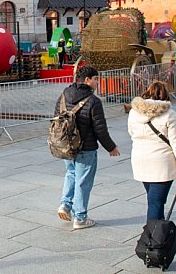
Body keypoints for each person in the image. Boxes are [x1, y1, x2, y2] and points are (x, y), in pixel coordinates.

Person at [56, 65, 121, 229]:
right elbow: (100, 129)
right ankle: (80, 217)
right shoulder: (93, 101)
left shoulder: (63, 95)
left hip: (66, 145)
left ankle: (65, 205)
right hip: (86, 147)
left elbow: (57, 118)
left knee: (71, 174)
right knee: (83, 181)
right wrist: (111, 147)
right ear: (87, 80)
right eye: (95, 79)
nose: (97, 82)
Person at [128, 81, 176, 222]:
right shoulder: (169, 114)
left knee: (153, 199)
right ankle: (152, 232)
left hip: (140, 159)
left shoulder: (134, 112)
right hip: (162, 163)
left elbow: (131, 133)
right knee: (156, 202)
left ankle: (159, 226)